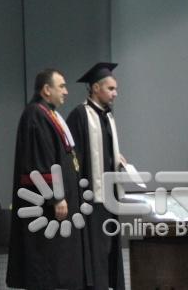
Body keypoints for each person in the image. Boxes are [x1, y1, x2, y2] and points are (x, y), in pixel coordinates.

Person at [7, 69, 89, 290]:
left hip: (58, 207)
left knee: (60, 267)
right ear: (46, 89)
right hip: (45, 209)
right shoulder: (36, 114)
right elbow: (41, 159)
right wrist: (56, 196)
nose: (66, 91)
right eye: (61, 86)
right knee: (46, 268)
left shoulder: (50, 114)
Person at [66, 62, 126, 290]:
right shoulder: (80, 116)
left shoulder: (108, 117)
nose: (115, 93)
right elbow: (73, 159)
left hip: (109, 198)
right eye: (111, 88)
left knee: (110, 249)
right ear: (95, 88)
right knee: (95, 253)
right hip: (90, 200)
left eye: (115, 89)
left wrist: (115, 157)